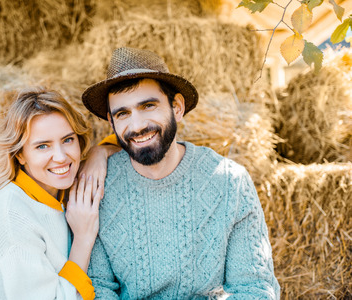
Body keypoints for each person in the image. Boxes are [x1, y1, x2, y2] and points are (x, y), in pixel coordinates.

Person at [81, 47, 281, 299]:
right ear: (111, 123)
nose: (137, 125)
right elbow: (97, 286)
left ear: (176, 107)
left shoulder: (230, 182)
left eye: (148, 106)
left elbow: (254, 288)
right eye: (123, 113)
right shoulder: (98, 187)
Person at [0, 88, 116, 299]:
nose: (61, 157)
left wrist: (101, 151)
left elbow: (133, 141)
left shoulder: (57, 189)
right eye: (43, 146)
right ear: (20, 155)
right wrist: (83, 238)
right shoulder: (13, 218)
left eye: (68, 140)